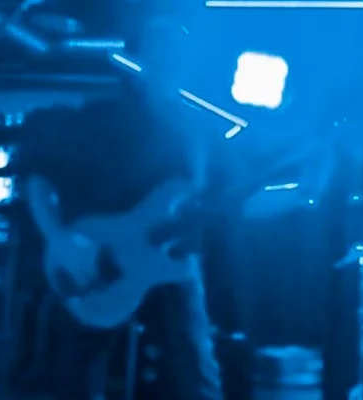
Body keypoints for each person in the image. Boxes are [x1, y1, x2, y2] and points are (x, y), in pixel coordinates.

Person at [20, 97, 223, 400]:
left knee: (195, 379)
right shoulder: (99, 115)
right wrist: (58, 239)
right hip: (92, 263)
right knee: (74, 381)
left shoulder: (200, 121)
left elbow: (217, 197)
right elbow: (38, 178)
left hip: (172, 265)